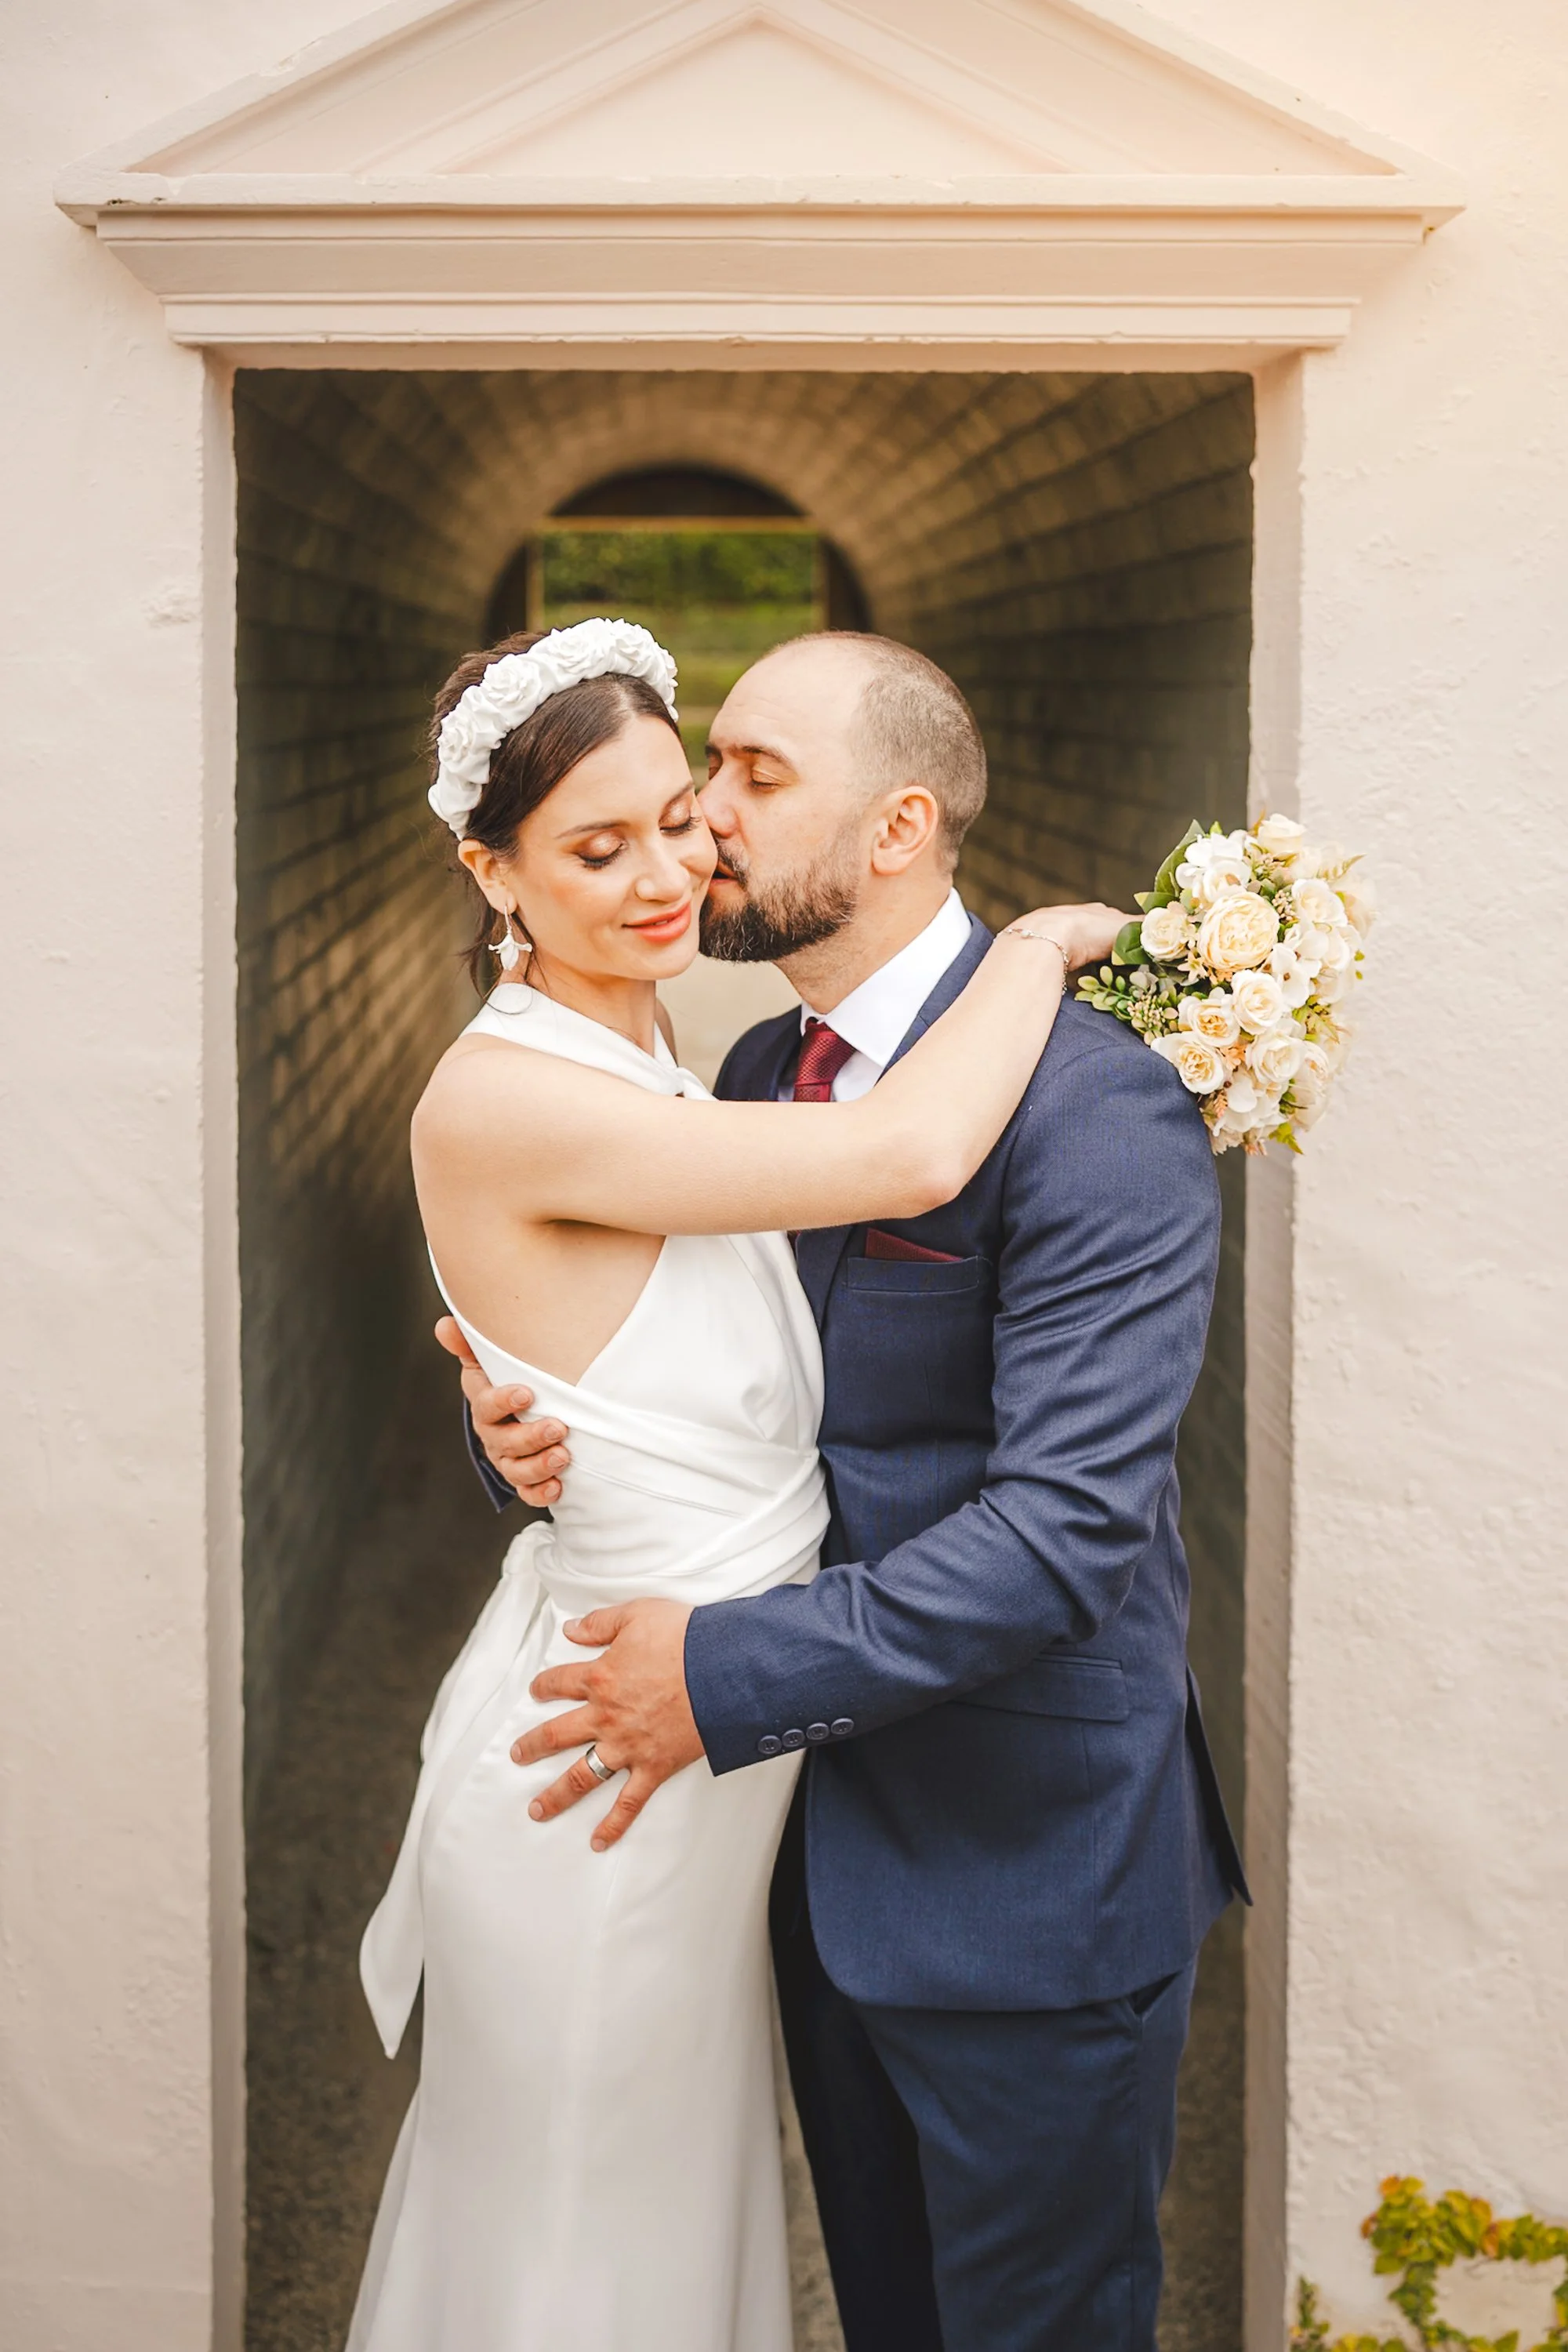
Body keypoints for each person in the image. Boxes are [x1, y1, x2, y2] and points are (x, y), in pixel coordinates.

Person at [461, 627, 1250, 2352]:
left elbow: (1063, 1538)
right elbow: (705, 1382)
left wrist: (716, 1678)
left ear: (895, 832)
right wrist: (527, 1422)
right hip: (809, 1859)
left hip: (1023, 1873)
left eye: (750, 779)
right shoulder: (754, 1080)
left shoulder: (1097, 1107)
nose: (701, 825)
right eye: (701, 775)